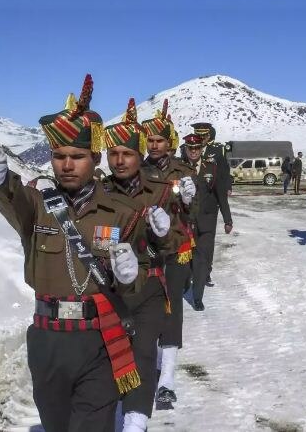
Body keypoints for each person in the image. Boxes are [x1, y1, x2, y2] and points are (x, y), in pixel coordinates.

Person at [0, 75, 147, 432]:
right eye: (59, 156)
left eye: (77, 156)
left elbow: (138, 280)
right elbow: (14, 197)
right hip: (48, 339)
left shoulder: (122, 212)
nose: (67, 164)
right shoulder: (38, 205)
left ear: (95, 158)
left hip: (98, 339)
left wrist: (132, 275)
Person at [103, 97, 179, 431]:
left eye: (127, 154)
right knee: (109, 358)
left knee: (143, 353)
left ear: (139, 155)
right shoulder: (98, 191)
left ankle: (135, 423)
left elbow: (176, 239)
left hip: (147, 284)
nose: (119, 161)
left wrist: (164, 235)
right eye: (113, 154)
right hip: (107, 288)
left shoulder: (160, 191)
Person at [141, 99, 195, 406]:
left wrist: (189, 201)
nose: (154, 145)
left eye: (159, 140)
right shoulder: (140, 169)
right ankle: (148, 363)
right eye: (150, 140)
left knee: (172, 306)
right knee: (148, 306)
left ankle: (167, 378)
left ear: (169, 143)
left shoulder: (183, 170)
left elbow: (195, 212)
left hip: (175, 249)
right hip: (147, 248)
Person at [182, 133, 233, 311]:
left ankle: (197, 297)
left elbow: (220, 194)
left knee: (202, 259)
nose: (194, 151)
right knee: (187, 259)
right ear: (186, 149)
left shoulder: (211, 168)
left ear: (202, 149)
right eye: (190, 148)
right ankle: (186, 280)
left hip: (207, 221)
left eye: (197, 148)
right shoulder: (179, 168)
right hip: (185, 222)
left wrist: (228, 219)